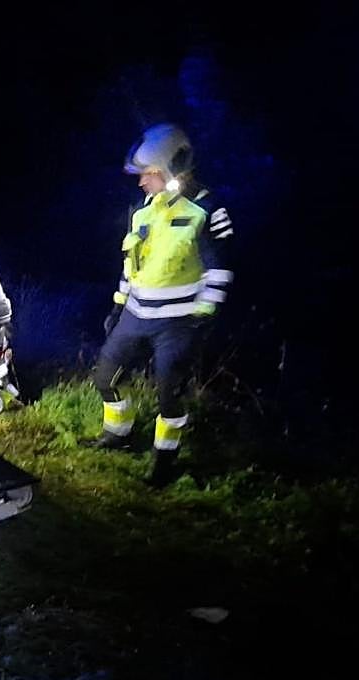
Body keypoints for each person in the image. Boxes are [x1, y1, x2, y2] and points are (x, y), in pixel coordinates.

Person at [87, 124, 234, 486]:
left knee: (169, 395)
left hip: (179, 322)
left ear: (170, 170)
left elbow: (220, 268)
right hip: (136, 314)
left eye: (147, 174)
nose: (140, 182)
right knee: (105, 377)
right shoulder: (142, 212)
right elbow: (131, 264)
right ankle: (117, 435)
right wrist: (118, 307)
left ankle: (164, 464)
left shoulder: (207, 210)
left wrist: (203, 315)